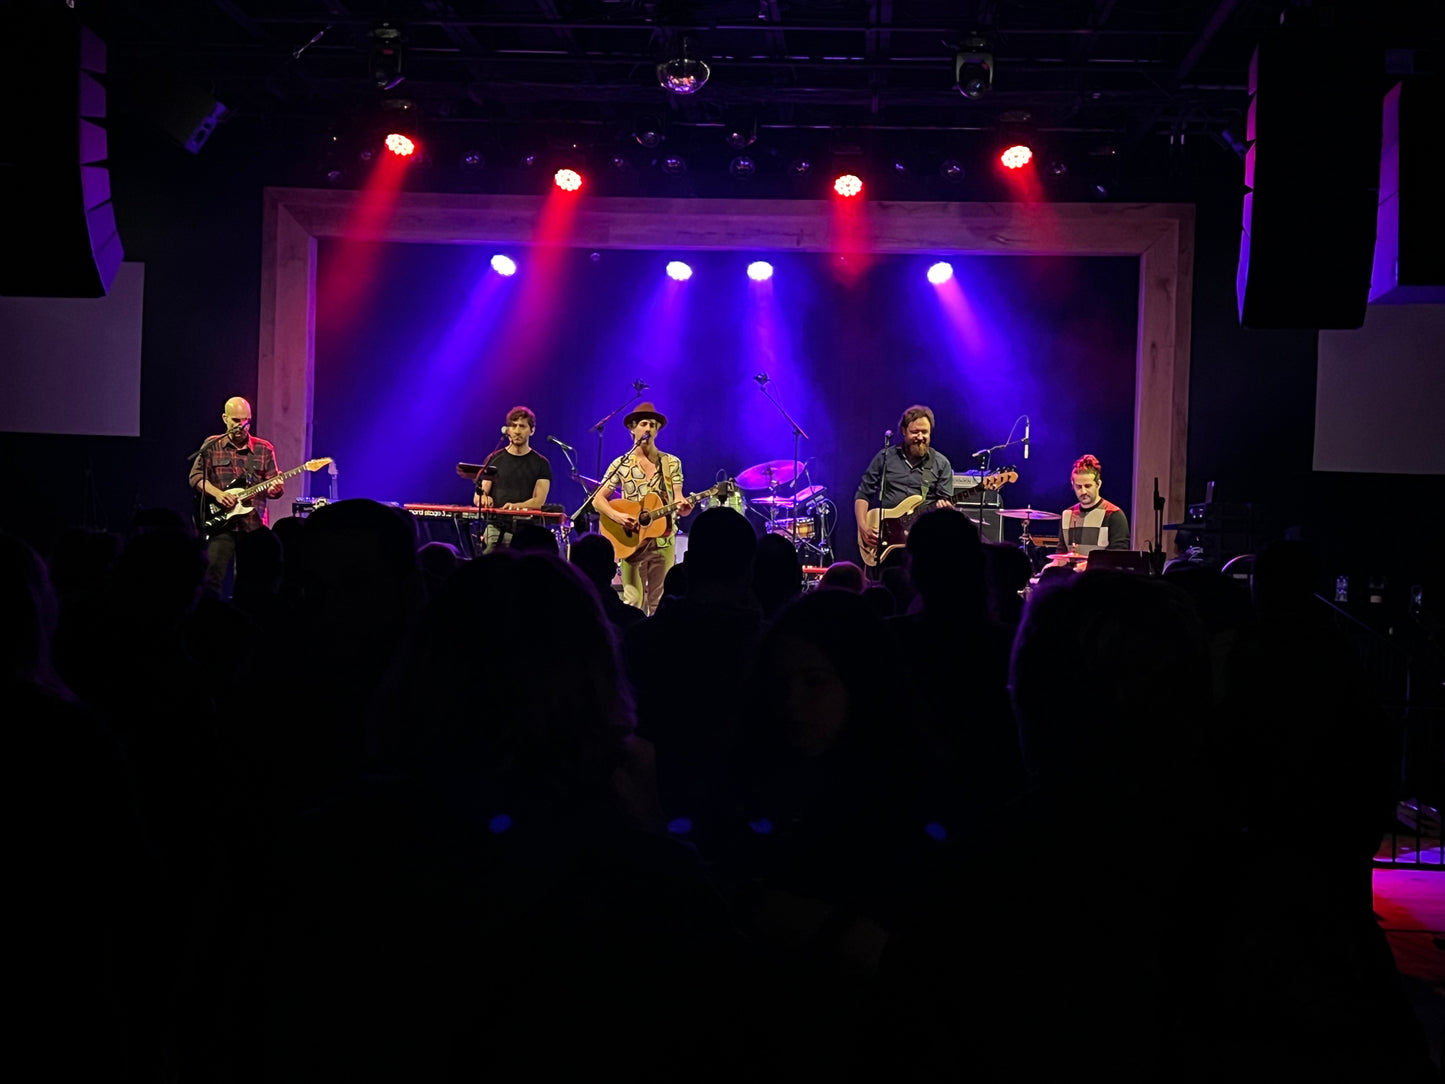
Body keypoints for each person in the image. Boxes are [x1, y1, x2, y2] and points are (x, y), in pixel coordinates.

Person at [592, 402, 692, 615]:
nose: (649, 428)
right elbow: (597, 500)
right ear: (632, 428)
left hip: (662, 540)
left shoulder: (671, 463)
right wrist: (617, 516)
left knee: (660, 602)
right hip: (632, 542)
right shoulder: (621, 464)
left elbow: (678, 497)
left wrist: (684, 507)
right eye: (644, 424)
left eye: (653, 425)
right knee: (633, 601)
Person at [189, 396, 284, 595]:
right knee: (212, 576)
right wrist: (218, 494)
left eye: (245, 420)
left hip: (253, 525)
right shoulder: (211, 445)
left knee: (251, 581)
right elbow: (195, 477)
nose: (241, 426)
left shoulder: (263, 449)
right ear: (225, 418)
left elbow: (273, 484)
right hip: (220, 523)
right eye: (235, 420)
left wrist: (275, 490)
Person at [853, 404, 954, 568]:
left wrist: (945, 508)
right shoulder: (885, 457)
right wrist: (863, 526)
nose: (920, 437)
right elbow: (863, 494)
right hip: (886, 540)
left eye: (925, 432)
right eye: (915, 432)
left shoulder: (941, 463)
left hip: (923, 542)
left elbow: (944, 502)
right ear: (903, 431)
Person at [473, 406, 552, 553]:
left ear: (532, 430)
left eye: (522, 426)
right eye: (513, 426)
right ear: (507, 429)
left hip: (528, 531)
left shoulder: (541, 463)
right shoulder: (494, 459)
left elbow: (539, 501)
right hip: (496, 527)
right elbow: (479, 495)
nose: (516, 431)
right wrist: (483, 498)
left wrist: (516, 506)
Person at [1058, 453, 1129, 554]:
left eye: (1088, 486)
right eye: (1078, 487)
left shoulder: (1114, 515)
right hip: (1072, 570)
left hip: (1099, 570)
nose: (1083, 492)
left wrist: (1088, 565)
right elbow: (1061, 554)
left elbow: (1118, 557)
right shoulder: (1067, 515)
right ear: (1072, 484)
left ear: (1098, 484)